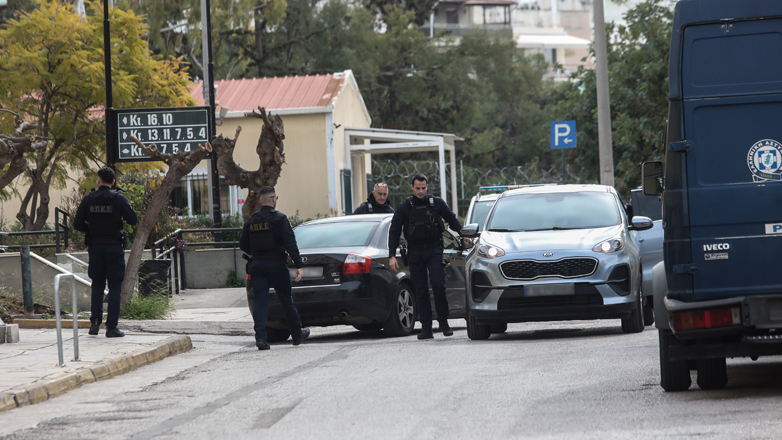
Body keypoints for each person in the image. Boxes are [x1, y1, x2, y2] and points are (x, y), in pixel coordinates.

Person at [387, 174, 462, 340]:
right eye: (417, 188)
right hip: (415, 253)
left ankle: (443, 322)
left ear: (427, 187)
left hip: (434, 250)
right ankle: (426, 328)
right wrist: (391, 255)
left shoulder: (437, 203)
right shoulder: (404, 207)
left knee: (438, 285)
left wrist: (464, 235)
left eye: (423, 188)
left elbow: (451, 219)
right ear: (412, 188)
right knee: (420, 291)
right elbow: (394, 231)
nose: (421, 191)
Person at [239, 186, 310, 350]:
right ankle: (297, 335)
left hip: (257, 265)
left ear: (260, 200)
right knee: (286, 299)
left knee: (261, 302)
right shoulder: (279, 218)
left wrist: (256, 254)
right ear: (273, 199)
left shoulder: (252, 220)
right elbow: (290, 243)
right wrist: (298, 265)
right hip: (277, 264)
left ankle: (261, 339)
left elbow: (243, 244)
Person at [73, 167, 137, 338]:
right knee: (115, 286)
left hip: (95, 247)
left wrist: (92, 230)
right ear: (114, 182)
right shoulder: (119, 199)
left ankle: (94, 323)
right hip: (114, 247)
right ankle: (111, 328)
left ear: (99, 180)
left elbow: (77, 224)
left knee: (98, 285)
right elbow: (133, 219)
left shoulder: (88, 199)